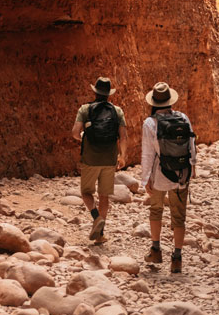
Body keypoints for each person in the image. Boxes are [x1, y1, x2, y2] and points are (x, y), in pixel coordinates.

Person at [140, 81, 196, 272]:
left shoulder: (150, 123)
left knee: (156, 211)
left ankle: (155, 250)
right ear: (170, 101)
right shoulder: (183, 118)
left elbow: (148, 154)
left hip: (159, 175)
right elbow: (191, 144)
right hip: (181, 174)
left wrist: (145, 178)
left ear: (153, 102)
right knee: (179, 217)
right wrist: (192, 167)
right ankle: (177, 259)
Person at [71, 76, 127, 243]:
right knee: (104, 196)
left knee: (86, 192)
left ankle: (96, 217)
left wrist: (84, 138)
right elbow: (123, 136)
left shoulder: (85, 109)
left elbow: (75, 132)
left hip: (90, 158)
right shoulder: (117, 111)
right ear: (109, 94)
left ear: (94, 92)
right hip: (109, 158)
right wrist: (122, 156)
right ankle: (100, 235)